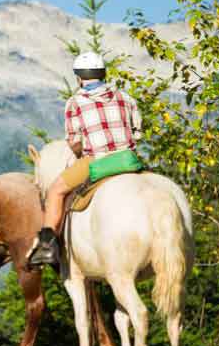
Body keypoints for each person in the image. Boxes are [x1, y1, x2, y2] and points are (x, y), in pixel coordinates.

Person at [29, 52, 143, 266]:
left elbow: (74, 142)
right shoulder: (126, 97)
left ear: (79, 78)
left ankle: (46, 248)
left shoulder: (75, 102)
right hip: (129, 158)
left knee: (55, 190)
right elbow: (137, 133)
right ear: (103, 74)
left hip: (97, 159)